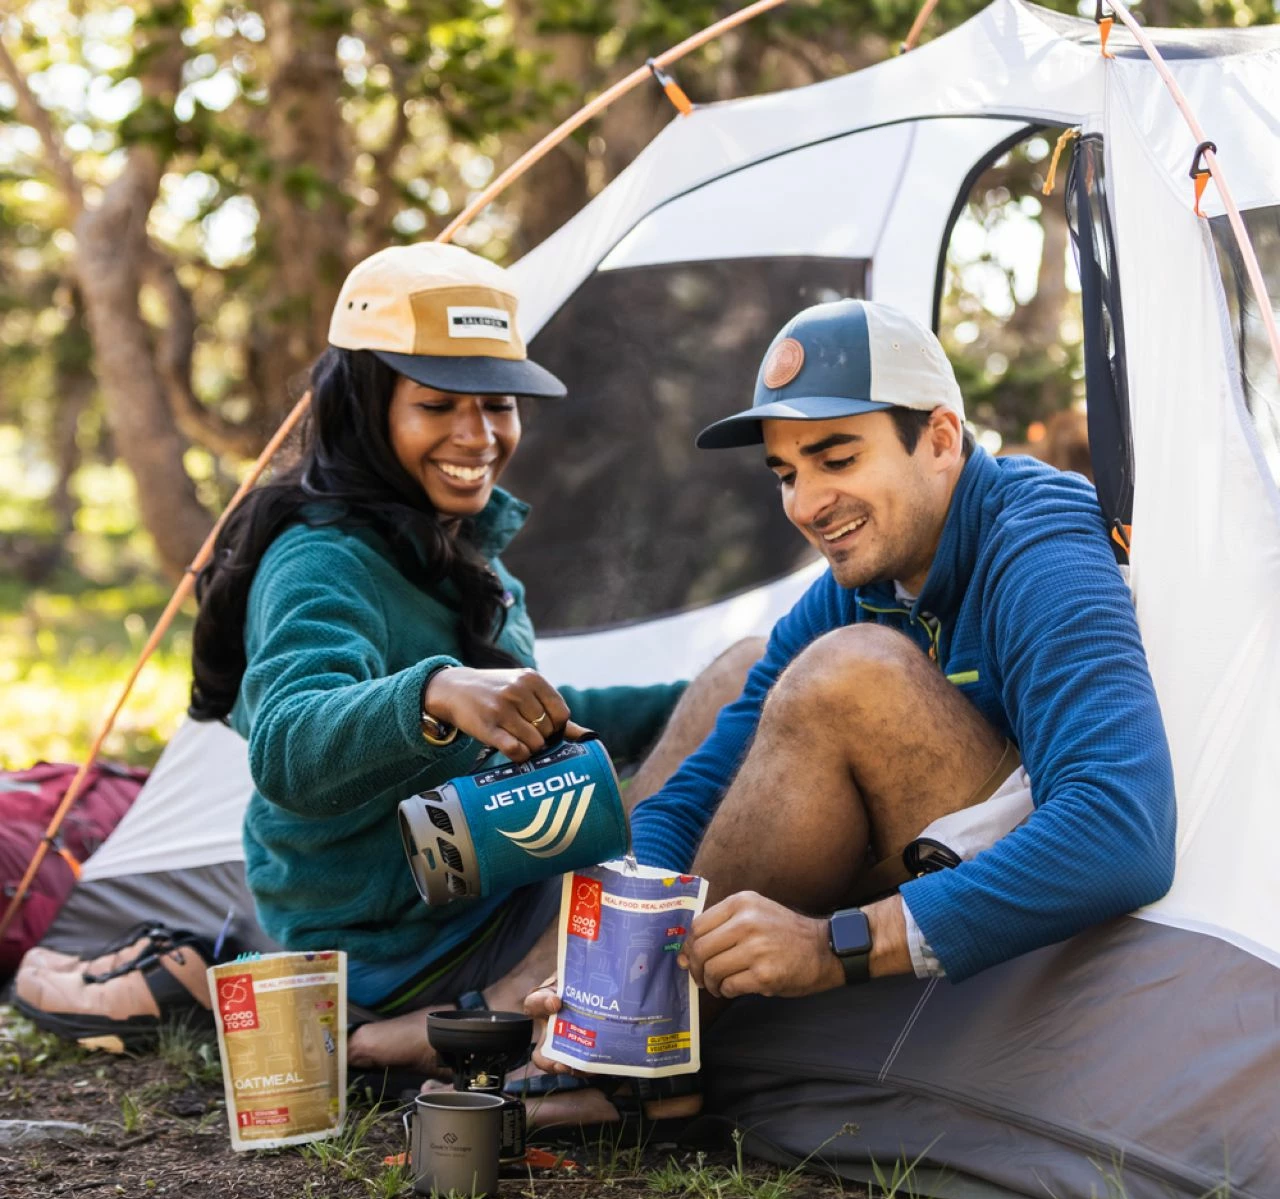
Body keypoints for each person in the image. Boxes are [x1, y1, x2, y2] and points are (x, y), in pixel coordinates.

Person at [528, 298, 1175, 1107]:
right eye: (788, 474)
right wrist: (612, 953)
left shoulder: (1039, 548)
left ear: (941, 439)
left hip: (1052, 935)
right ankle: (627, 1033)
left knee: (848, 673)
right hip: (941, 872)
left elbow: (1122, 833)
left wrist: (834, 945)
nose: (804, 504)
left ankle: (647, 1056)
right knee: (745, 669)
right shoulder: (869, 578)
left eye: (837, 459)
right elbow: (700, 785)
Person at [183, 242, 759, 1073]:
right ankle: (478, 1017)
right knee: (719, 813)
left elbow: (530, 707)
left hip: (482, 879)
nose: (478, 435)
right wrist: (436, 691)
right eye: (439, 406)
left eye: (498, 405)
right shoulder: (324, 558)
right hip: (404, 939)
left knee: (743, 681)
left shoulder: (453, 542)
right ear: (367, 407)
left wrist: (701, 700)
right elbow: (286, 743)